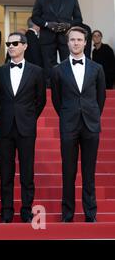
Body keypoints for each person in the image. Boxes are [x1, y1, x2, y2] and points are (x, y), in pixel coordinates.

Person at [51, 26, 106, 222]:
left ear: (85, 42)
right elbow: (57, 100)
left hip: (91, 125)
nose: (75, 43)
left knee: (89, 173)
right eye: (72, 40)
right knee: (68, 171)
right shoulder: (58, 70)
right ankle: (67, 214)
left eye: (79, 40)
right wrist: (68, 115)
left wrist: (91, 115)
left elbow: (101, 97)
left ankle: (90, 214)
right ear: (68, 43)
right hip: (68, 125)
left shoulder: (97, 68)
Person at [0, 32, 46, 223]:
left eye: (15, 43)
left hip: (26, 127)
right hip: (5, 127)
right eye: (8, 43)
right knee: (6, 172)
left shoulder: (37, 71)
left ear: (25, 46)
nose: (11, 46)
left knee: (27, 172)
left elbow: (41, 100)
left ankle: (26, 209)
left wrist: (29, 118)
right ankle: (6, 209)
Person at [32, 0, 83, 85]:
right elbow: (34, 17)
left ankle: (67, 86)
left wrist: (68, 25)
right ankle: (50, 90)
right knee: (48, 66)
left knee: (67, 63)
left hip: (65, 37)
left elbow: (79, 19)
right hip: (47, 36)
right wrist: (47, 24)